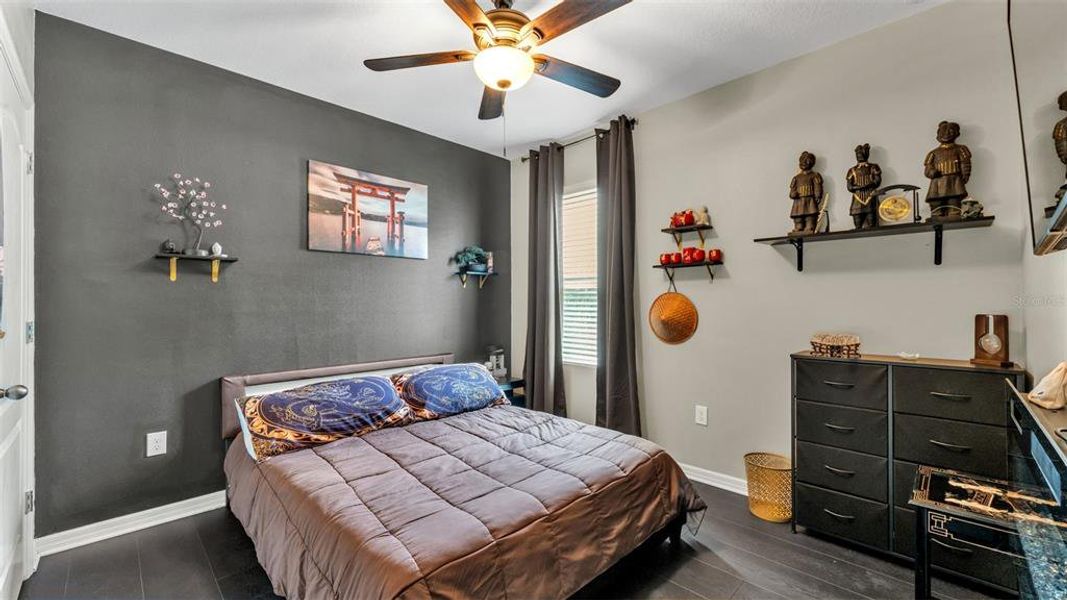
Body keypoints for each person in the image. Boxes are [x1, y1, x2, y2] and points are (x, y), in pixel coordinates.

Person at [923, 121, 972, 221]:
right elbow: (928, 167)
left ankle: (954, 214)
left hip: (954, 180)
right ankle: (936, 215)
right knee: (936, 202)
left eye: (950, 132)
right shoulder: (933, 153)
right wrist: (932, 172)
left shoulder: (961, 149)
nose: (946, 134)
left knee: (953, 200)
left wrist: (965, 175)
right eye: (943, 132)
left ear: (956, 134)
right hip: (937, 182)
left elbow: (965, 163)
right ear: (938, 134)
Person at [846, 144, 882, 230]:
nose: (859, 156)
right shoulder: (852, 170)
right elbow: (849, 187)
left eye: (862, 154)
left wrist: (867, 185)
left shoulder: (873, 167)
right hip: (857, 198)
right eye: (858, 154)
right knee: (857, 224)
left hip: (870, 196)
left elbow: (877, 181)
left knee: (872, 223)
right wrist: (857, 187)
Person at [789, 151, 823, 234]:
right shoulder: (796, 177)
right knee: (798, 217)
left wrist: (818, 195)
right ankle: (798, 227)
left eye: (806, 161)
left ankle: (809, 227)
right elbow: (792, 189)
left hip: (810, 199)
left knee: (810, 216)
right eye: (802, 160)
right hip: (799, 201)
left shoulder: (814, 175)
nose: (803, 163)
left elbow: (818, 186)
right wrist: (793, 194)